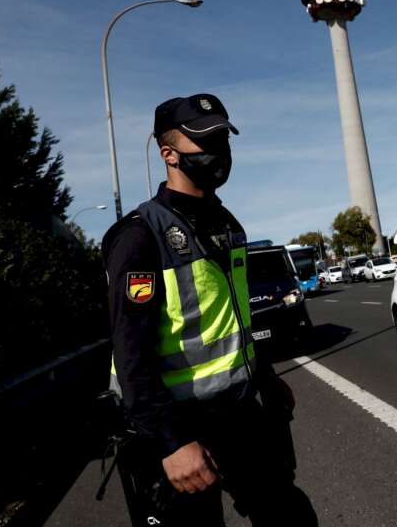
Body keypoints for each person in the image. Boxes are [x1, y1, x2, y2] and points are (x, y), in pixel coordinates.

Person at [103, 94, 317, 526]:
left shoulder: (227, 224)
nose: (219, 152)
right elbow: (130, 356)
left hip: (238, 412)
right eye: (205, 141)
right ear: (168, 153)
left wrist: (268, 381)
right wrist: (171, 443)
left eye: (223, 139)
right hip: (176, 423)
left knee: (289, 514)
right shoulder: (140, 237)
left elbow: (234, 320)